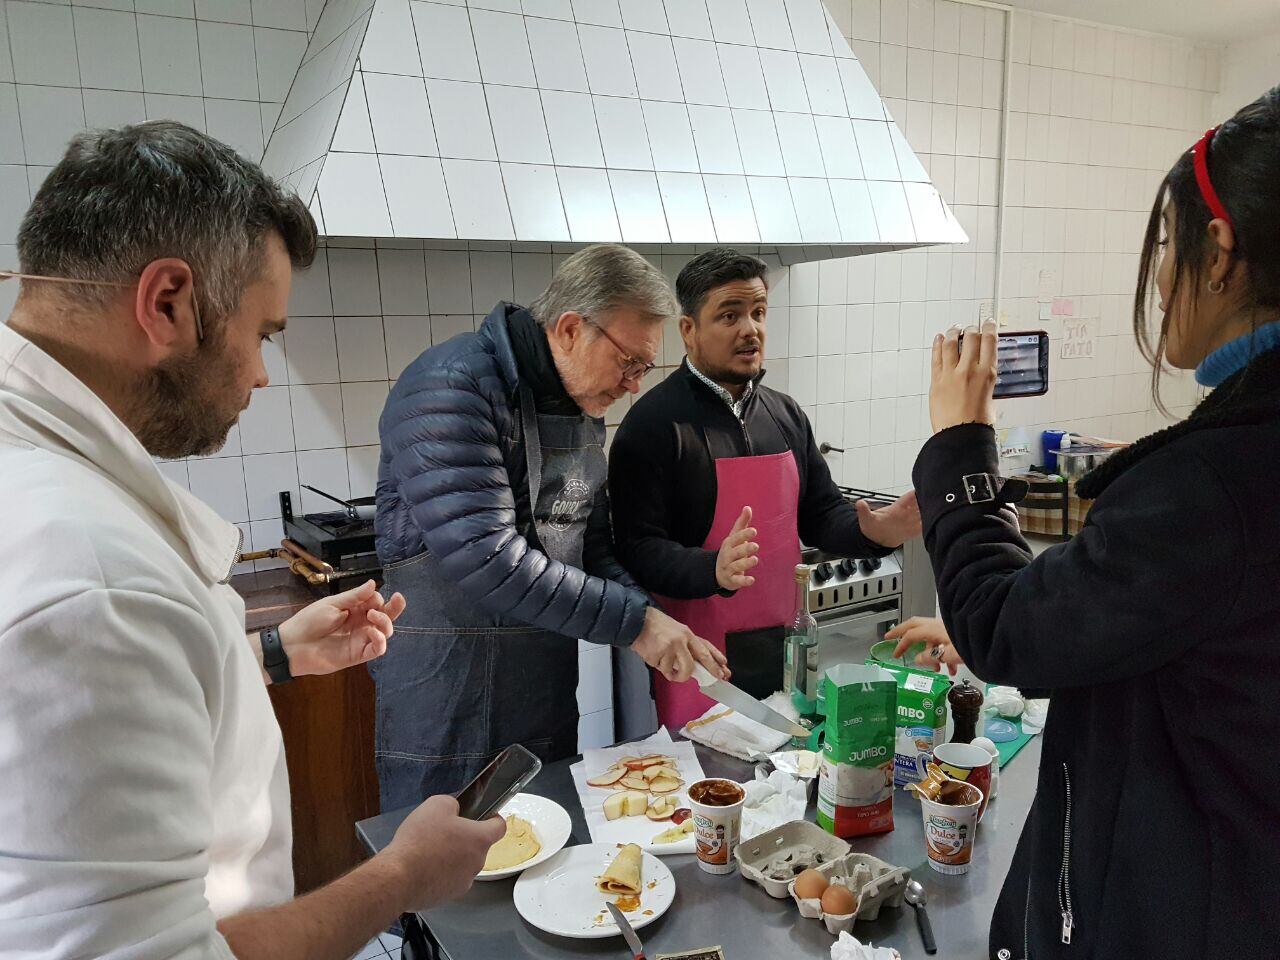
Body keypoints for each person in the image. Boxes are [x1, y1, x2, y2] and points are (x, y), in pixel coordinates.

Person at [0, 122, 506, 960]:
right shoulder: (92, 583)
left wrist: (265, 655)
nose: (264, 372)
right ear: (168, 302)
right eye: (264, 331)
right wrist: (403, 876)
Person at [912, 89, 1280, 958]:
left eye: (1165, 249)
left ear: (1218, 252)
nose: (1159, 279)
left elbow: (1004, 628)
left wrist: (961, 448)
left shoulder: (1211, 483)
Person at [373, 244, 729, 806]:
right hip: (447, 695)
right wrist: (635, 624)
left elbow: (590, 543)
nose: (634, 384)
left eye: (644, 367)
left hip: (541, 690)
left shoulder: (578, 405)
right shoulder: (449, 387)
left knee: (541, 860)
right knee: (443, 878)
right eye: (629, 362)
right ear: (569, 330)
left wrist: (650, 615)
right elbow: (487, 557)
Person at [608, 248, 921, 730]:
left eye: (757, 313)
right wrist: (711, 566)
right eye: (729, 315)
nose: (749, 329)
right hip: (694, 655)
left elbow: (820, 514)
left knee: (782, 771)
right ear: (688, 330)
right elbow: (635, 548)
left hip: (782, 640)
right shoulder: (651, 426)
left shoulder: (786, 414)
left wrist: (877, 532)